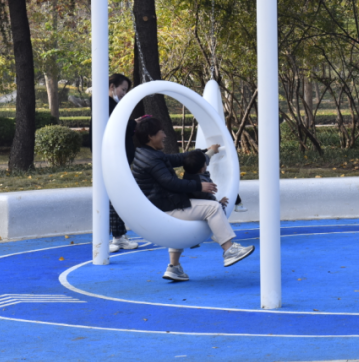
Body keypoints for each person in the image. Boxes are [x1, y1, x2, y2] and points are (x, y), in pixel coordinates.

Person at [130, 116, 254, 282]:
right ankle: (229, 250)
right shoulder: (152, 159)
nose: (165, 135)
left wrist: (204, 151)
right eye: (161, 132)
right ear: (151, 136)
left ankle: (174, 268)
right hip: (166, 207)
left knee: (181, 228)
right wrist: (198, 186)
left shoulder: (147, 153)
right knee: (213, 208)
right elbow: (170, 182)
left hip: (161, 205)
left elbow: (177, 158)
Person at [107, 73, 139, 253]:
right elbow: (116, 128)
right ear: (112, 87)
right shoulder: (106, 105)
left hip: (118, 159)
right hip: (113, 159)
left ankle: (118, 236)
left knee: (115, 197)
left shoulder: (112, 105)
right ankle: (116, 237)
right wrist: (133, 124)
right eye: (123, 89)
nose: (124, 94)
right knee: (113, 198)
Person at [182, 149, 246, 214]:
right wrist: (219, 203)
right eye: (205, 163)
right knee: (219, 211)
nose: (206, 163)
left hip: (192, 201)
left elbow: (206, 159)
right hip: (198, 207)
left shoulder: (190, 170)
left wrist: (212, 150)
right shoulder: (201, 183)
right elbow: (207, 198)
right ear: (202, 169)